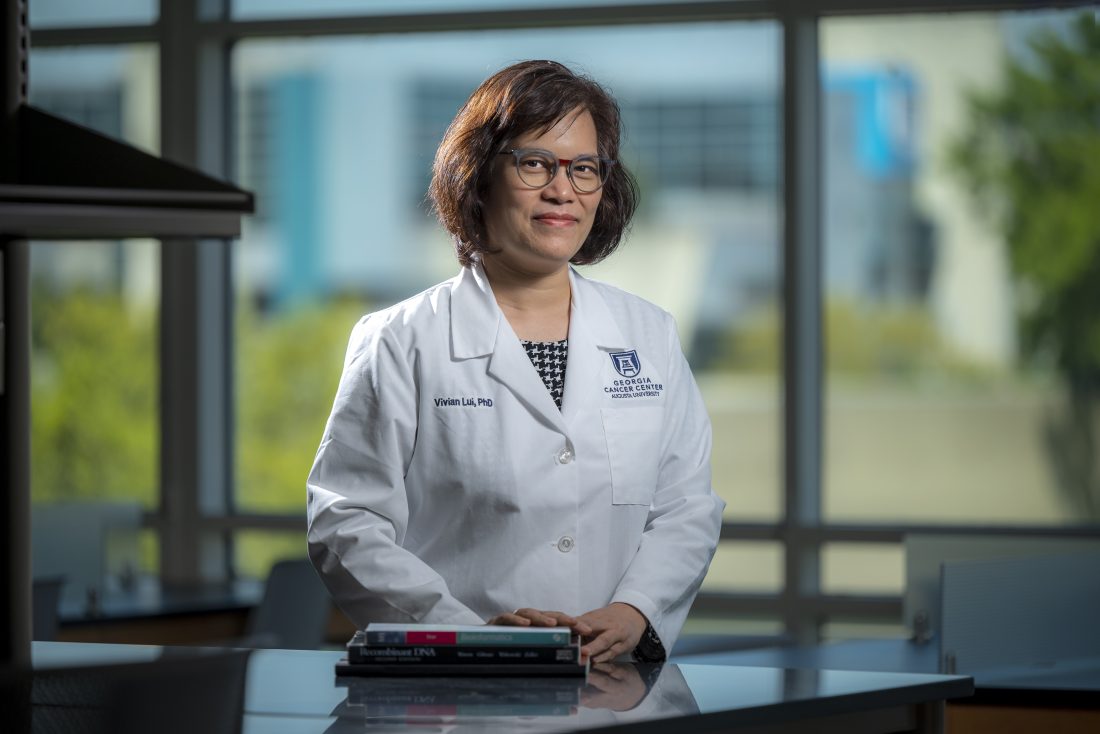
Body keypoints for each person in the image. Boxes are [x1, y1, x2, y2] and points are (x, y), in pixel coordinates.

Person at [306, 60, 724, 664]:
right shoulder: (402, 339)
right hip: (452, 689)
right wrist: (464, 634)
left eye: (584, 169)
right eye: (535, 163)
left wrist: (634, 609)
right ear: (478, 177)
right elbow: (346, 523)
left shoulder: (648, 335)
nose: (563, 190)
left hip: (611, 681)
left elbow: (687, 506)